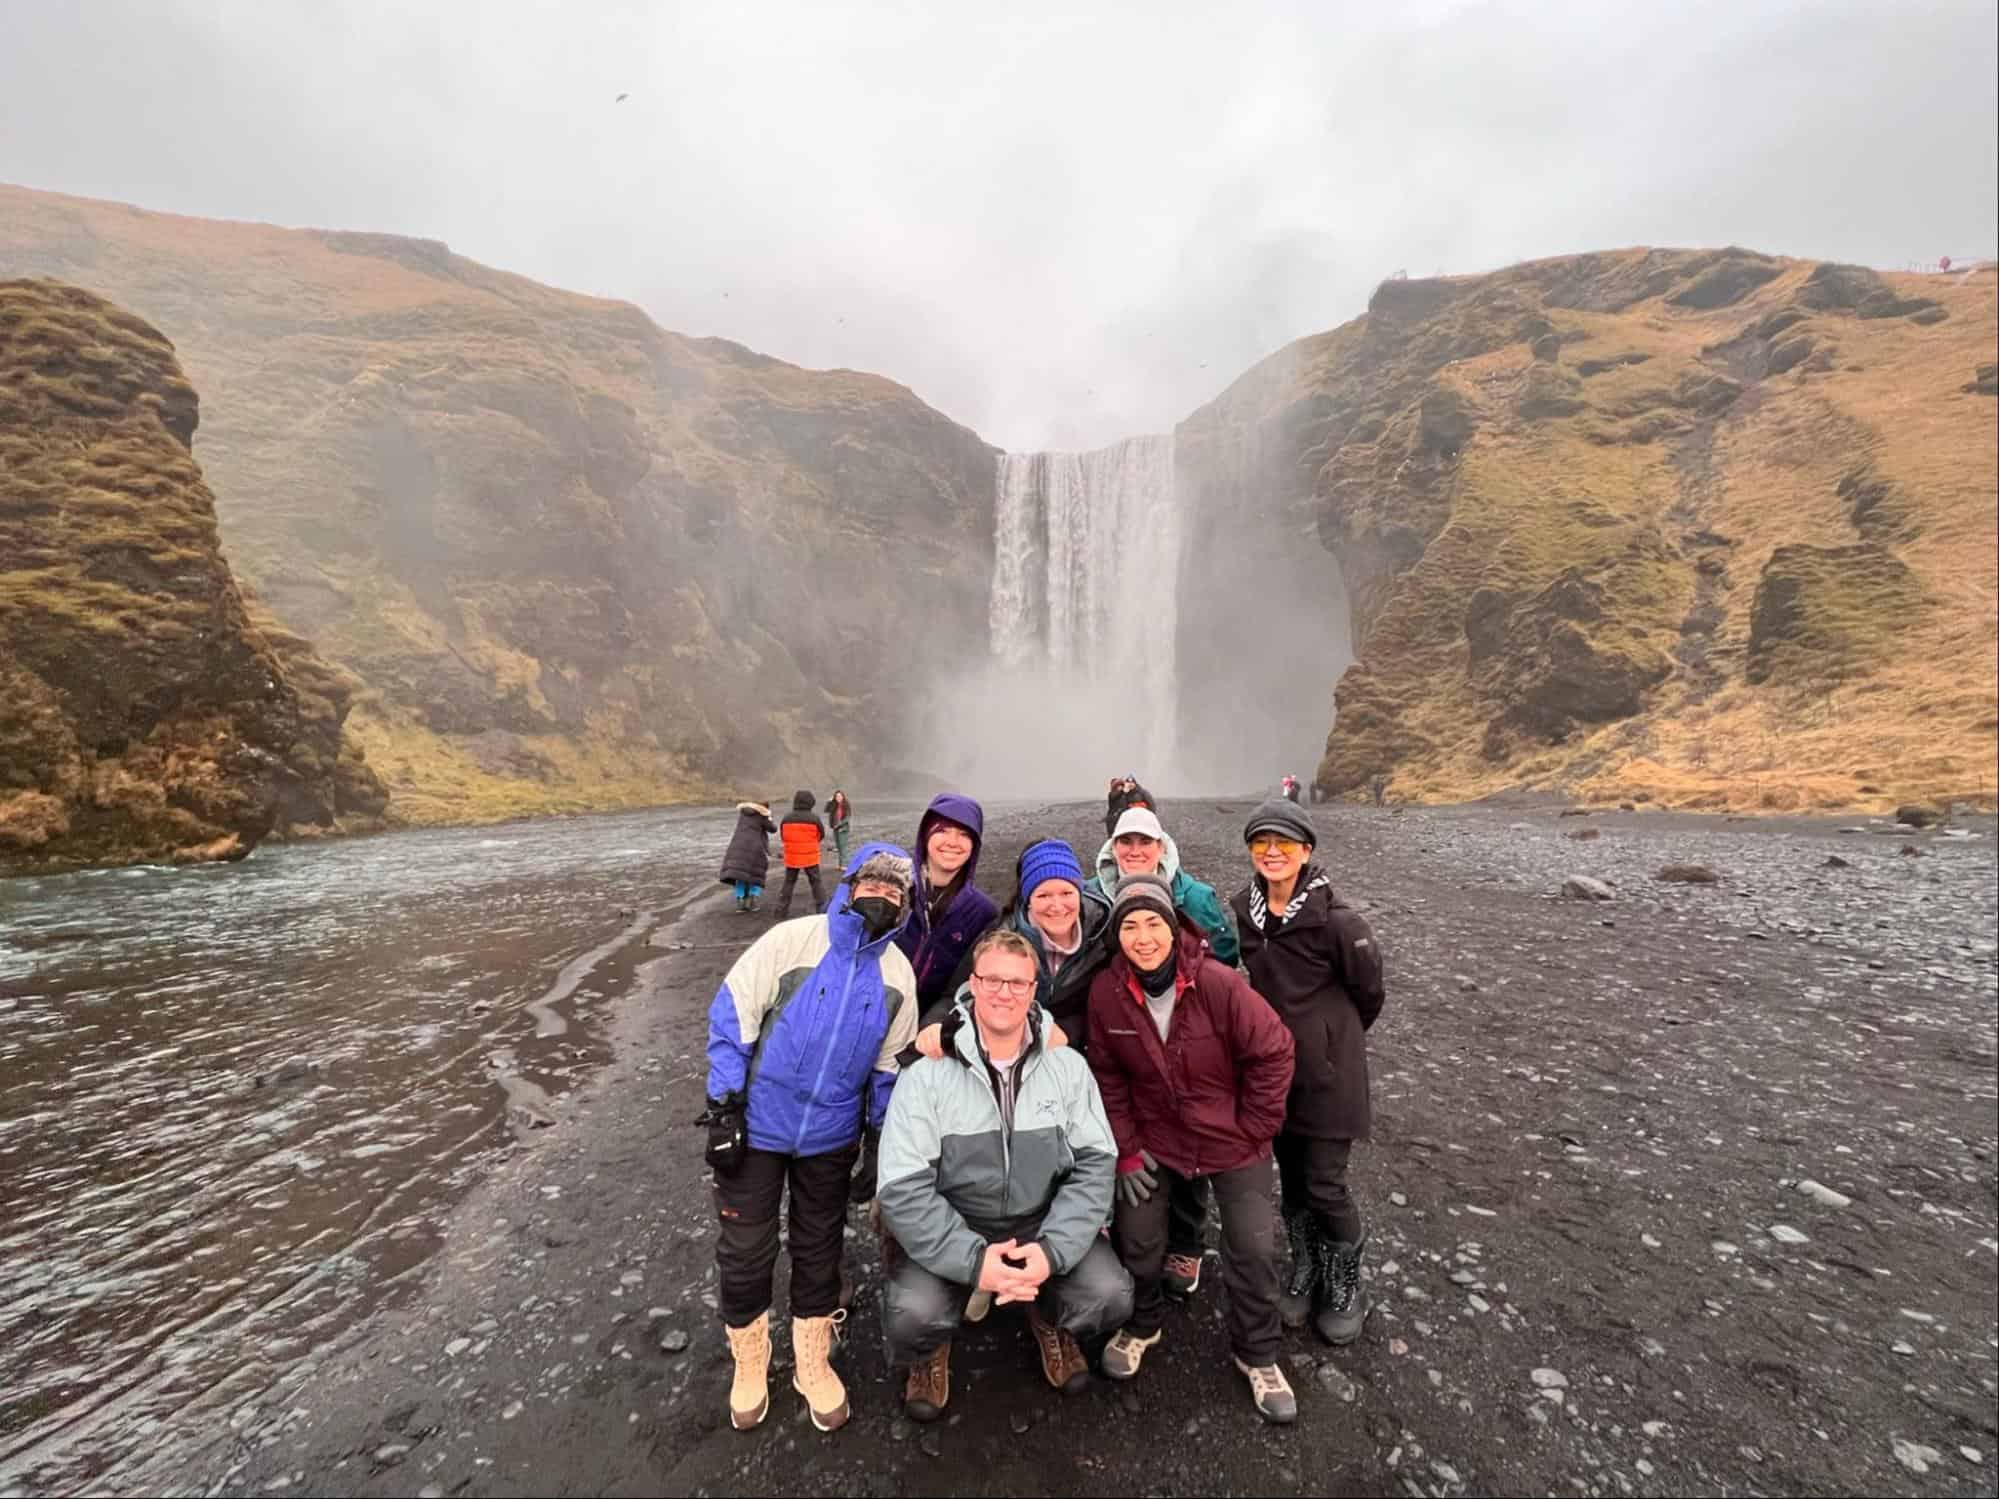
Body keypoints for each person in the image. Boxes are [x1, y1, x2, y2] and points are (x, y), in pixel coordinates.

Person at [700, 842, 920, 1433]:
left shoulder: (898, 973)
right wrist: (723, 1107)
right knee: (745, 1251)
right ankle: (750, 1358)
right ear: (850, 886)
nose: (883, 896)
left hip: (830, 1136)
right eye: (873, 884)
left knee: (820, 1248)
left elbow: (889, 1067)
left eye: (896, 891)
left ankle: (811, 1357)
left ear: (906, 905)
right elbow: (734, 1015)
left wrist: (879, 1141)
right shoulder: (791, 941)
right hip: (758, 1128)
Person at [877, 929, 1132, 1421]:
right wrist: (975, 1262)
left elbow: (1096, 1165)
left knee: (1109, 1295)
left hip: (1039, 1223)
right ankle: (931, 1348)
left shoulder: (1067, 1067)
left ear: (1035, 990)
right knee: (912, 1315)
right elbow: (903, 1188)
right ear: (971, 986)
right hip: (957, 1222)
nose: (1004, 993)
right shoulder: (927, 1073)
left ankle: (1046, 1311)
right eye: (992, 980)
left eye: (1018, 983)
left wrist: (1051, 1250)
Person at [1086, 874, 1299, 1422]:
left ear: (1173, 927)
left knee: (1253, 1248)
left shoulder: (1219, 983)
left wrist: (1255, 1127)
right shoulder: (1107, 994)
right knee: (1136, 1239)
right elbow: (1107, 1076)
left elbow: (1275, 1050)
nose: (1142, 936)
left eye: (1153, 922)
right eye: (1129, 925)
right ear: (1117, 936)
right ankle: (1144, 1322)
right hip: (1157, 1140)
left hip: (1232, 1140)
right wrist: (1127, 1148)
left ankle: (1258, 1354)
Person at [1230, 798, 1386, 1346]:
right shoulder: (1244, 912)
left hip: (1329, 1077)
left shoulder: (1340, 923)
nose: (1272, 852)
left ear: (1307, 851)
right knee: (1293, 1180)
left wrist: (1328, 1042)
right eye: (1261, 842)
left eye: (1285, 843)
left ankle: (1346, 1284)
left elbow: (1369, 994)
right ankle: (1306, 1268)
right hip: (1274, 1076)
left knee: (1326, 1183)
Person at [1085, 804, 1241, 1297]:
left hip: (1182, 1035)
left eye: (1144, 843)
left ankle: (1187, 1242)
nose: (1134, 851)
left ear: (1162, 847)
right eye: (1125, 843)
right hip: (1115, 1029)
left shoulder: (1192, 896)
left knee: (1187, 1130)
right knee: (1117, 1130)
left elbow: (1225, 956)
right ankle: (1122, 1228)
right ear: (1112, 849)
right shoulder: (1094, 895)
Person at [933, 838, 1111, 1044]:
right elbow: (954, 995)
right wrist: (934, 1025)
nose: (1057, 905)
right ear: (1028, 900)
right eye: (1043, 895)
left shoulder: (1102, 936)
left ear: (1079, 893)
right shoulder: (999, 938)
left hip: (1069, 1052)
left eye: (1066, 893)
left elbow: (1104, 1009)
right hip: (1006, 1047)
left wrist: (1066, 1032)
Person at [894, 792, 999, 1011]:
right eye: (942, 830)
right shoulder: (893, 889)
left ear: (974, 845)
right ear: (925, 836)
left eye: (963, 834)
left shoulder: (982, 913)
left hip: (931, 1029)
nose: (952, 842)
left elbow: (967, 986)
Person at [775, 790, 828, 918]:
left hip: (792, 856)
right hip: (810, 856)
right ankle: (822, 910)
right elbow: (821, 835)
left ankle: (781, 912)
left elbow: (783, 836)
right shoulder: (814, 818)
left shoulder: (786, 818)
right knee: (816, 883)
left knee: (789, 883)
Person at [719, 799, 776, 912]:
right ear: (765, 809)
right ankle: (751, 900)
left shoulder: (743, 814)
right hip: (754, 848)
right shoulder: (762, 816)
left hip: (736, 846)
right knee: (756, 874)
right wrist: (769, 817)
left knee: (741, 874)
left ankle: (740, 902)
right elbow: (773, 829)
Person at [828, 789, 854, 866]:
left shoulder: (846, 805)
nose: (838, 798)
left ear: (843, 797)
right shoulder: (834, 805)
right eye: (836, 796)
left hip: (843, 829)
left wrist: (839, 825)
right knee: (838, 847)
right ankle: (840, 864)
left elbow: (847, 818)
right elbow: (826, 810)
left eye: (840, 796)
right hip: (835, 828)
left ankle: (844, 865)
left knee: (843, 847)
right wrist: (829, 802)